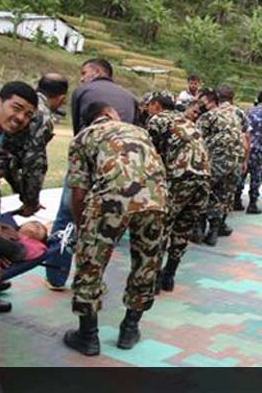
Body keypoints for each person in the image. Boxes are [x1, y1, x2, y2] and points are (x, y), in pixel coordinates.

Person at [63, 102, 167, 355]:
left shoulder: (83, 137)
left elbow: (78, 191)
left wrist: (82, 229)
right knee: (146, 264)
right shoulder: (140, 131)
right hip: (157, 200)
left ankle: (87, 336)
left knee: (91, 266)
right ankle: (130, 329)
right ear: (109, 114)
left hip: (110, 200)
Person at [46, 58, 139, 291]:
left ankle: (56, 275)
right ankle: (92, 280)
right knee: (104, 223)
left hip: (87, 160)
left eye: (84, 72)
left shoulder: (83, 90)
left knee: (66, 215)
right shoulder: (130, 97)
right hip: (116, 171)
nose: (81, 77)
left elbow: (80, 132)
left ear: (98, 71)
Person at [146, 94, 210, 292]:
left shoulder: (158, 120)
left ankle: (155, 279)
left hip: (180, 178)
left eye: (148, 106)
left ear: (155, 106)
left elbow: (151, 154)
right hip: (203, 180)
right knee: (183, 228)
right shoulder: (189, 122)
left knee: (162, 225)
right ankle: (169, 276)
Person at [0, 82, 37, 313]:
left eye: (28, 115)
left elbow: (7, 167)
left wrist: (29, 200)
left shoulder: (2, 132)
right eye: (16, 108)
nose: (21, 118)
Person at [4, 74, 69, 218]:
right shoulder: (42, 116)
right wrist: (31, 202)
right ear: (61, 98)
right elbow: (33, 164)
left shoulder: (21, 103)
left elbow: (8, 160)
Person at [197, 91, 245, 246]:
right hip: (235, 163)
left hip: (216, 162)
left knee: (204, 193)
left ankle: (199, 229)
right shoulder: (236, 114)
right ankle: (214, 232)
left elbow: (197, 140)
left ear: (212, 101)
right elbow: (245, 138)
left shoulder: (209, 116)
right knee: (222, 197)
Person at [216, 86, 251, 213]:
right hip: (235, 160)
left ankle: (203, 225)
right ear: (233, 98)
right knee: (228, 193)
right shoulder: (239, 113)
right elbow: (247, 138)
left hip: (215, 161)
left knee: (212, 192)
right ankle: (220, 225)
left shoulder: (212, 112)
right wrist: (245, 160)